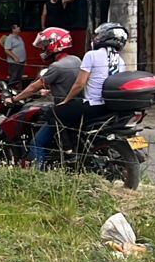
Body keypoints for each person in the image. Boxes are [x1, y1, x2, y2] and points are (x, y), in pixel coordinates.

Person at [44, 21, 128, 163]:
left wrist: (65, 101)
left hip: (93, 105)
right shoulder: (120, 61)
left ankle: (69, 152)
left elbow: (79, 84)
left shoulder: (92, 55)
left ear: (103, 37)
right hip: (108, 107)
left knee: (53, 113)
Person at [9, 27, 80, 167]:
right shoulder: (76, 60)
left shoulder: (57, 66)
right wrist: (49, 91)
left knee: (36, 142)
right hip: (77, 106)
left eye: (45, 45)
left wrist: (14, 99)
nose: (43, 49)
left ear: (54, 44)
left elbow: (33, 88)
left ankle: (38, 173)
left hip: (63, 110)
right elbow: (68, 82)